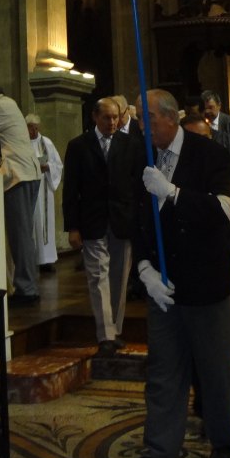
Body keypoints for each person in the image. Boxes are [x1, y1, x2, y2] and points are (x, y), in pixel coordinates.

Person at [121, 89, 230, 458]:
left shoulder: (210, 155)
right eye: (139, 120)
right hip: (162, 287)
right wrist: (143, 270)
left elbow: (223, 212)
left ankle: (224, 442)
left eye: (148, 119)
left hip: (206, 284)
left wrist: (172, 194)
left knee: (214, 372)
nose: (142, 127)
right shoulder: (139, 158)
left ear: (171, 118)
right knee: (163, 373)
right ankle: (160, 454)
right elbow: (135, 220)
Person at [62, 98, 143, 355]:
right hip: (92, 220)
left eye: (115, 118)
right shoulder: (78, 146)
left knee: (119, 278)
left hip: (122, 220)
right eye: (106, 118)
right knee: (97, 276)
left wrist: (138, 219)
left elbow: (137, 185)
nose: (112, 123)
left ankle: (115, 328)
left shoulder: (130, 144)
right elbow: (70, 189)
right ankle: (104, 333)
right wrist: (72, 227)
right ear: (95, 118)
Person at [0, 80, 44, 304]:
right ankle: (26, 285)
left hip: (19, 176)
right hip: (20, 175)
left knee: (20, 234)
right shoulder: (4, 106)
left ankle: (27, 289)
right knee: (21, 233)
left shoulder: (1, 106)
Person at [26, 113, 64, 274]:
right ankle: (31, 258)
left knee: (44, 224)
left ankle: (46, 260)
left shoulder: (46, 142)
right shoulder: (22, 144)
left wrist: (48, 167)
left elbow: (58, 164)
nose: (33, 131)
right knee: (32, 222)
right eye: (29, 128)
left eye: (35, 128)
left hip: (44, 187)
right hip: (29, 186)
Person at [201, 90, 230, 164]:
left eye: (210, 107)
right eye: (204, 108)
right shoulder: (198, 124)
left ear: (219, 105)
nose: (207, 111)